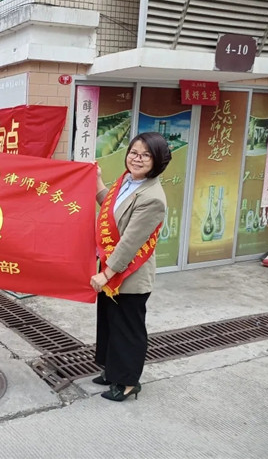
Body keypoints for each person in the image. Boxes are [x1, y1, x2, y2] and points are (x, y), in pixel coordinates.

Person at [90, 132, 171, 402]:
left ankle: (127, 382)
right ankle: (112, 371)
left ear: (157, 160)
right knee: (110, 324)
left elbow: (130, 243)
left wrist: (106, 274)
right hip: (112, 269)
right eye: (134, 152)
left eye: (146, 155)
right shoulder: (127, 181)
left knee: (127, 329)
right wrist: (98, 180)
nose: (137, 159)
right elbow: (110, 210)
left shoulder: (153, 197)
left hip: (130, 275)